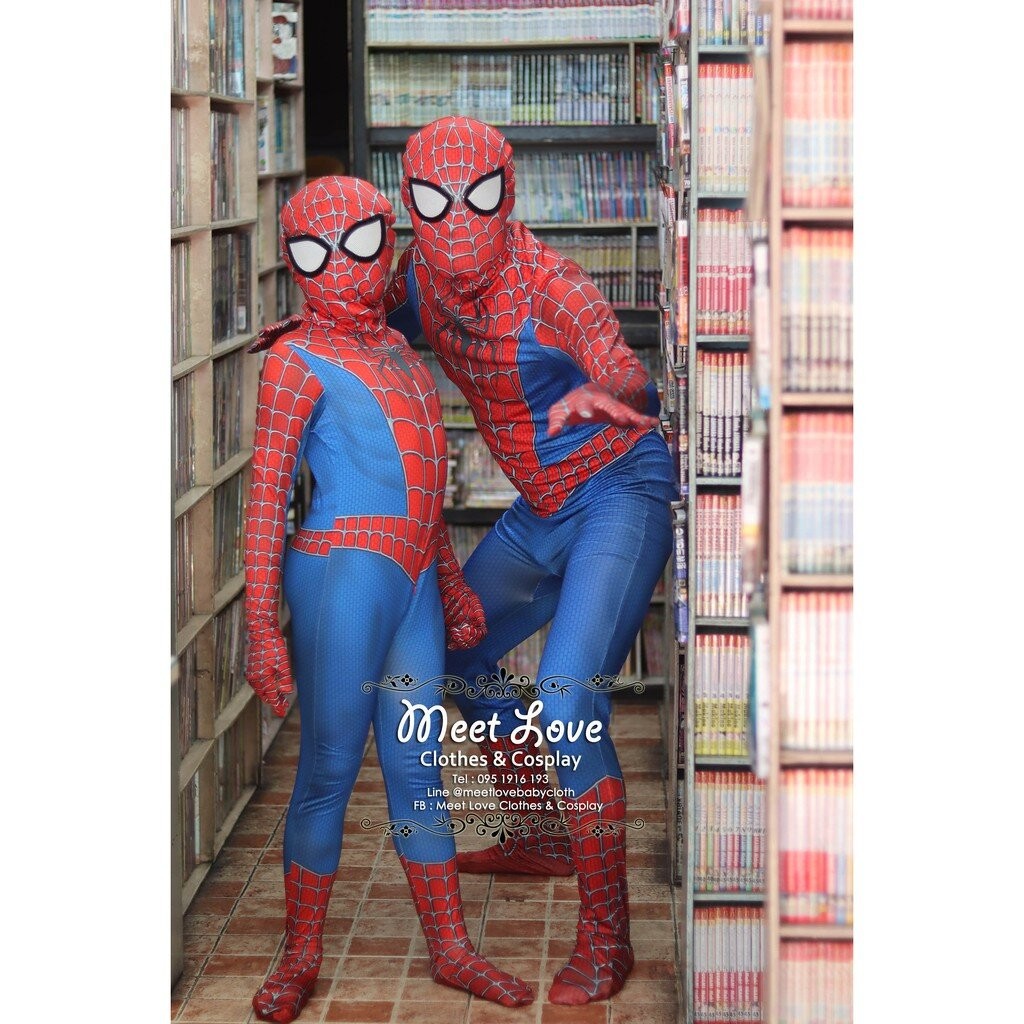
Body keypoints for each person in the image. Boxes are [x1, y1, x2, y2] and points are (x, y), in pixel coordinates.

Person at [383, 116, 678, 1005]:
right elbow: (359, 310)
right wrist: (307, 329)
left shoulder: (555, 285)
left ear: (506, 193)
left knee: (565, 697)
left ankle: (608, 936)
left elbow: (625, 371)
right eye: (434, 201)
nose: (456, 220)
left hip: (618, 490)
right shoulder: (418, 278)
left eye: (474, 198)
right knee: (451, 653)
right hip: (541, 510)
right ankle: (540, 832)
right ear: (411, 203)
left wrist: (606, 391)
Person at [243, 175, 534, 1023]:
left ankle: (451, 948)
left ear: (389, 240)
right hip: (342, 575)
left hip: (405, 583)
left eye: (360, 243)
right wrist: (259, 627)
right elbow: (266, 499)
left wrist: (448, 580)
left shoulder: (404, 355)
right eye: (314, 252)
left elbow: (424, 484)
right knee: (330, 766)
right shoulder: (293, 360)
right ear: (292, 262)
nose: (340, 266)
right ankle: (300, 956)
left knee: (417, 765)